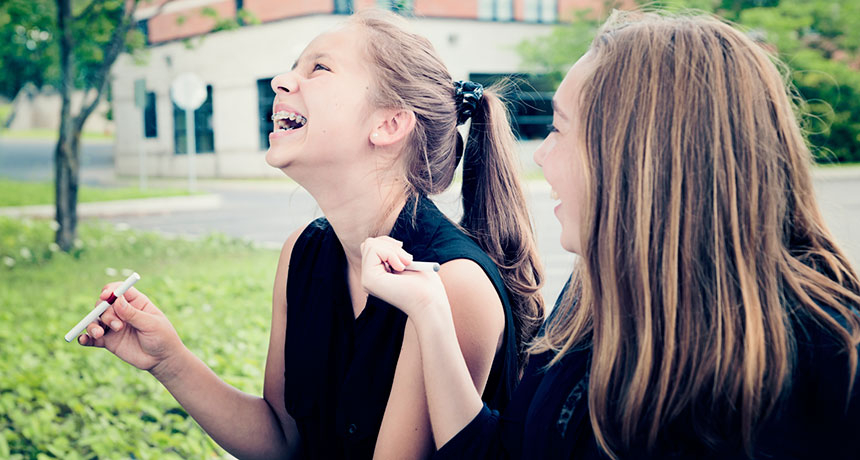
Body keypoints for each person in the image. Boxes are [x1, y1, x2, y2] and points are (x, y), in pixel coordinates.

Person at [361, 9, 860, 459]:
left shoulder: (823, 358)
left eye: (559, 128)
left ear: (640, 156)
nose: (540, 154)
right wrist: (430, 314)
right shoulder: (591, 295)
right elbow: (504, 453)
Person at [76, 9, 544, 459]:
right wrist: (169, 359)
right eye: (294, 66)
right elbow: (281, 440)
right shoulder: (302, 253)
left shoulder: (451, 286)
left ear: (389, 123)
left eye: (318, 68)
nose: (282, 80)